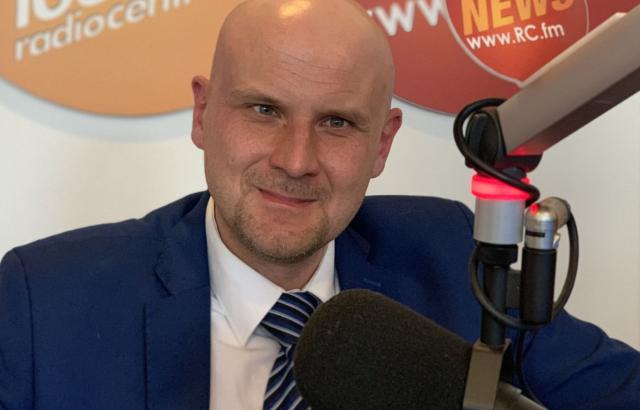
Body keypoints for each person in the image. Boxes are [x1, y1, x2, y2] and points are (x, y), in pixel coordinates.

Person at [0, 0, 638, 409]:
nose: (296, 160)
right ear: (202, 114)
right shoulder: (45, 301)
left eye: (337, 122)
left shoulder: (450, 254)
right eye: (264, 110)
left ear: (382, 143)